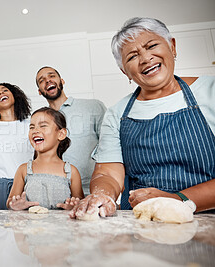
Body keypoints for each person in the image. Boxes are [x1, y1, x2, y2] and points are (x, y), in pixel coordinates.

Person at [70, 17, 215, 219]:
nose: (146, 58)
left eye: (152, 46)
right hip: (142, 225)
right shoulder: (117, 113)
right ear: (124, 71)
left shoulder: (210, 91)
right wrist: (102, 195)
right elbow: (108, 174)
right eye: (132, 56)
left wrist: (177, 200)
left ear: (172, 46)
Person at [36, 66, 106, 194]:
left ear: (62, 81)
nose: (47, 81)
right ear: (40, 91)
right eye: (42, 80)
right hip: (56, 192)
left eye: (52, 76)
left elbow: (109, 144)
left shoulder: (93, 106)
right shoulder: (40, 120)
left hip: (93, 190)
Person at [7, 107, 84, 210]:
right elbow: (10, 201)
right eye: (32, 127)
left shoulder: (71, 171)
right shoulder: (23, 169)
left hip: (62, 226)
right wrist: (14, 204)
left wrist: (74, 206)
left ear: (61, 134)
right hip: (30, 225)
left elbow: (80, 203)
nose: (35, 131)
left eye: (43, 126)